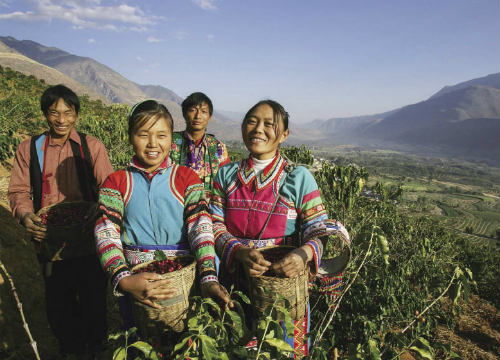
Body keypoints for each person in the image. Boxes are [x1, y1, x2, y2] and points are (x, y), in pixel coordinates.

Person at [210, 100, 350, 358]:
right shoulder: (225, 175)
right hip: (234, 283)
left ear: (284, 135)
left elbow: (317, 229)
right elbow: (214, 225)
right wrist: (239, 252)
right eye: (252, 121)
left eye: (269, 124)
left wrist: (303, 255)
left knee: (280, 348)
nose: (258, 129)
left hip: (281, 286)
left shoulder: (298, 177)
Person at [94, 100, 231, 341]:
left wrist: (208, 276)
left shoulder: (186, 178)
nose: (153, 144)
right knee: (141, 340)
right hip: (135, 280)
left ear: (171, 139)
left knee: (186, 340)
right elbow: (106, 234)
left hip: (184, 279)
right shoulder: (116, 183)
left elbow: (201, 228)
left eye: (161, 135)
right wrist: (124, 280)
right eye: (143, 135)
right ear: (130, 137)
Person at [8, 84, 113, 359]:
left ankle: (96, 345)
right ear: (45, 114)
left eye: (68, 112)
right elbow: (18, 191)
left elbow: (109, 189)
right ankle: (70, 347)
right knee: (58, 301)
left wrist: (98, 209)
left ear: (76, 114)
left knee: (93, 297)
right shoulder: (30, 149)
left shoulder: (92, 147)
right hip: (49, 240)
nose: (62, 119)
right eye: (54, 113)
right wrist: (25, 215)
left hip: (87, 238)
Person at [169, 92, 230, 198]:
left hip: (208, 209)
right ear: (184, 114)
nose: (198, 116)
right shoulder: (170, 142)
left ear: (209, 116)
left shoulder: (217, 147)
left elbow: (226, 180)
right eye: (193, 110)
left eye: (203, 111)